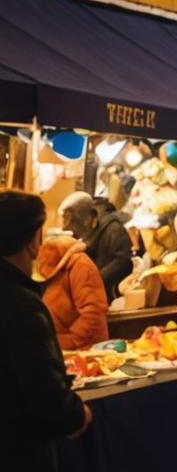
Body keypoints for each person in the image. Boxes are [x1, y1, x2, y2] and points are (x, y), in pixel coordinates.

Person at [1, 190, 92, 472]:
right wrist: (77, 414)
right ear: (32, 243)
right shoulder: (23, 305)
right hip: (19, 452)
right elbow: (44, 389)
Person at [36, 228, 108, 348]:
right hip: (64, 347)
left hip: (85, 349)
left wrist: (71, 340)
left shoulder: (81, 266)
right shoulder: (56, 271)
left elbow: (93, 313)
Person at [58, 192, 131, 299]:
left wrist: (94, 280)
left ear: (91, 218)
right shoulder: (89, 235)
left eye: (71, 220)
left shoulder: (114, 230)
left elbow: (123, 261)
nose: (65, 227)